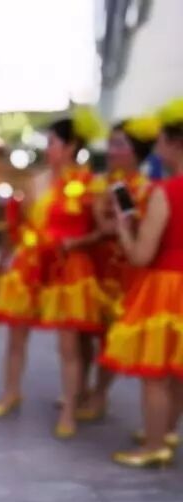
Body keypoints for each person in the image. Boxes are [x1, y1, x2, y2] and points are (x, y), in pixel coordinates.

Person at [0, 107, 106, 438]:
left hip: (68, 268)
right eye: (49, 141)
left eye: (54, 142)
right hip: (31, 264)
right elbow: (21, 225)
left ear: (71, 147)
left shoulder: (89, 184)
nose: (49, 148)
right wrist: (6, 258)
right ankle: (11, 392)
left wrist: (77, 242)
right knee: (16, 335)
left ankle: (69, 410)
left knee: (69, 344)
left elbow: (103, 230)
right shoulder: (36, 181)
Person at [99, 98, 183, 467]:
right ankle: (166, 431)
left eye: (161, 139)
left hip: (166, 288)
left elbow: (140, 256)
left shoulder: (167, 192)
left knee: (156, 374)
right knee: (177, 372)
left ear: (175, 144)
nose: (157, 146)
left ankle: (153, 445)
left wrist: (122, 227)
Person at [78, 115, 159, 420]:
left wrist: (101, 217)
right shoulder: (100, 182)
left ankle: (99, 394)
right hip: (91, 267)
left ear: (136, 151)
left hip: (120, 270)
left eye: (119, 145)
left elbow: (119, 227)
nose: (112, 151)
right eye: (110, 144)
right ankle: (81, 387)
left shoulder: (136, 187)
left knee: (108, 335)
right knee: (83, 331)